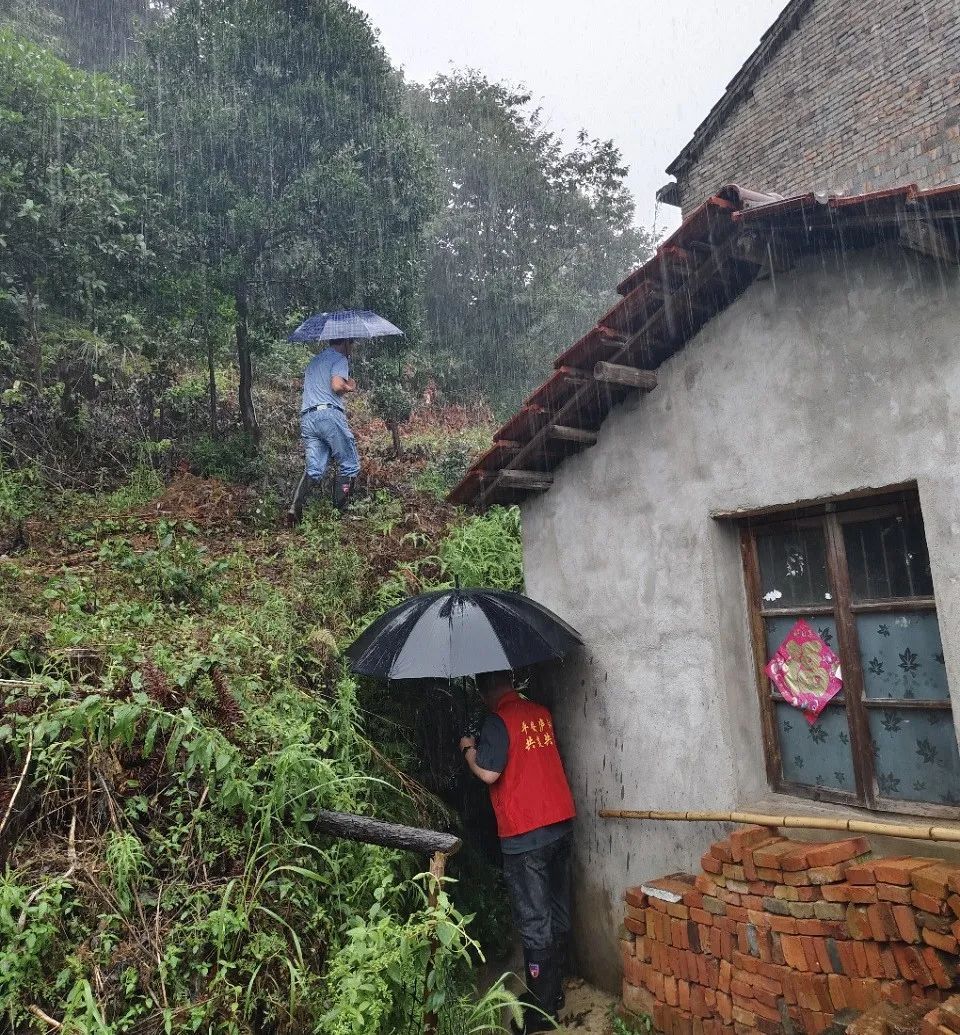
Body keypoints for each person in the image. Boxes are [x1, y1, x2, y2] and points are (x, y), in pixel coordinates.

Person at [459, 671, 576, 1033]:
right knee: (557, 909)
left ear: (485, 689)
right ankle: (554, 993)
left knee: (533, 919)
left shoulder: (497, 720)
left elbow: (489, 774)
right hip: (559, 822)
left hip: (526, 835)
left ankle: (541, 1015)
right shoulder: (539, 712)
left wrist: (468, 750)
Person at [287, 338, 360, 523]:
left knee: (314, 469)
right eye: (351, 344)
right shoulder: (339, 359)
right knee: (349, 463)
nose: (351, 349)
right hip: (328, 416)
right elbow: (336, 386)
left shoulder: (314, 361)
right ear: (344, 343)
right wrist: (349, 386)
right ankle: (340, 515)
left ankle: (294, 509)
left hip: (308, 418)